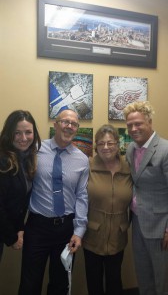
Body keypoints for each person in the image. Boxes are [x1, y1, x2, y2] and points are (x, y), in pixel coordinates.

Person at [18, 109, 89, 295]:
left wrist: (79, 231)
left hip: (66, 230)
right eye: (65, 121)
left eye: (74, 124)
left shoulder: (82, 160)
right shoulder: (34, 150)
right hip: (37, 227)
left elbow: (82, 196)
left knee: (60, 283)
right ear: (55, 124)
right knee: (29, 283)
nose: (69, 126)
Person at [123, 100, 168, 295]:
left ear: (149, 122)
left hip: (160, 226)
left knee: (162, 279)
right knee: (143, 274)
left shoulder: (165, 150)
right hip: (138, 222)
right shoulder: (131, 149)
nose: (133, 128)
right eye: (129, 125)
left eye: (138, 123)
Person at [82, 124, 132, 295]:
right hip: (92, 236)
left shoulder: (129, 169)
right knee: (94, 282)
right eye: (101, 143)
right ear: (96, 145)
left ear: (118, 145)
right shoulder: (88, 167)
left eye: (110, 143)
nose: (105, 147)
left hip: (119, 236)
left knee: (114, 281)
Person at [0, 110, 41, 261]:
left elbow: (18, 202)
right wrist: (12, 237)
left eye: (28, 132)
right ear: (9, 133)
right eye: (17, 133)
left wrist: (19, 228)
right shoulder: (2, 160)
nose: (23, 138)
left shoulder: (26, 159)